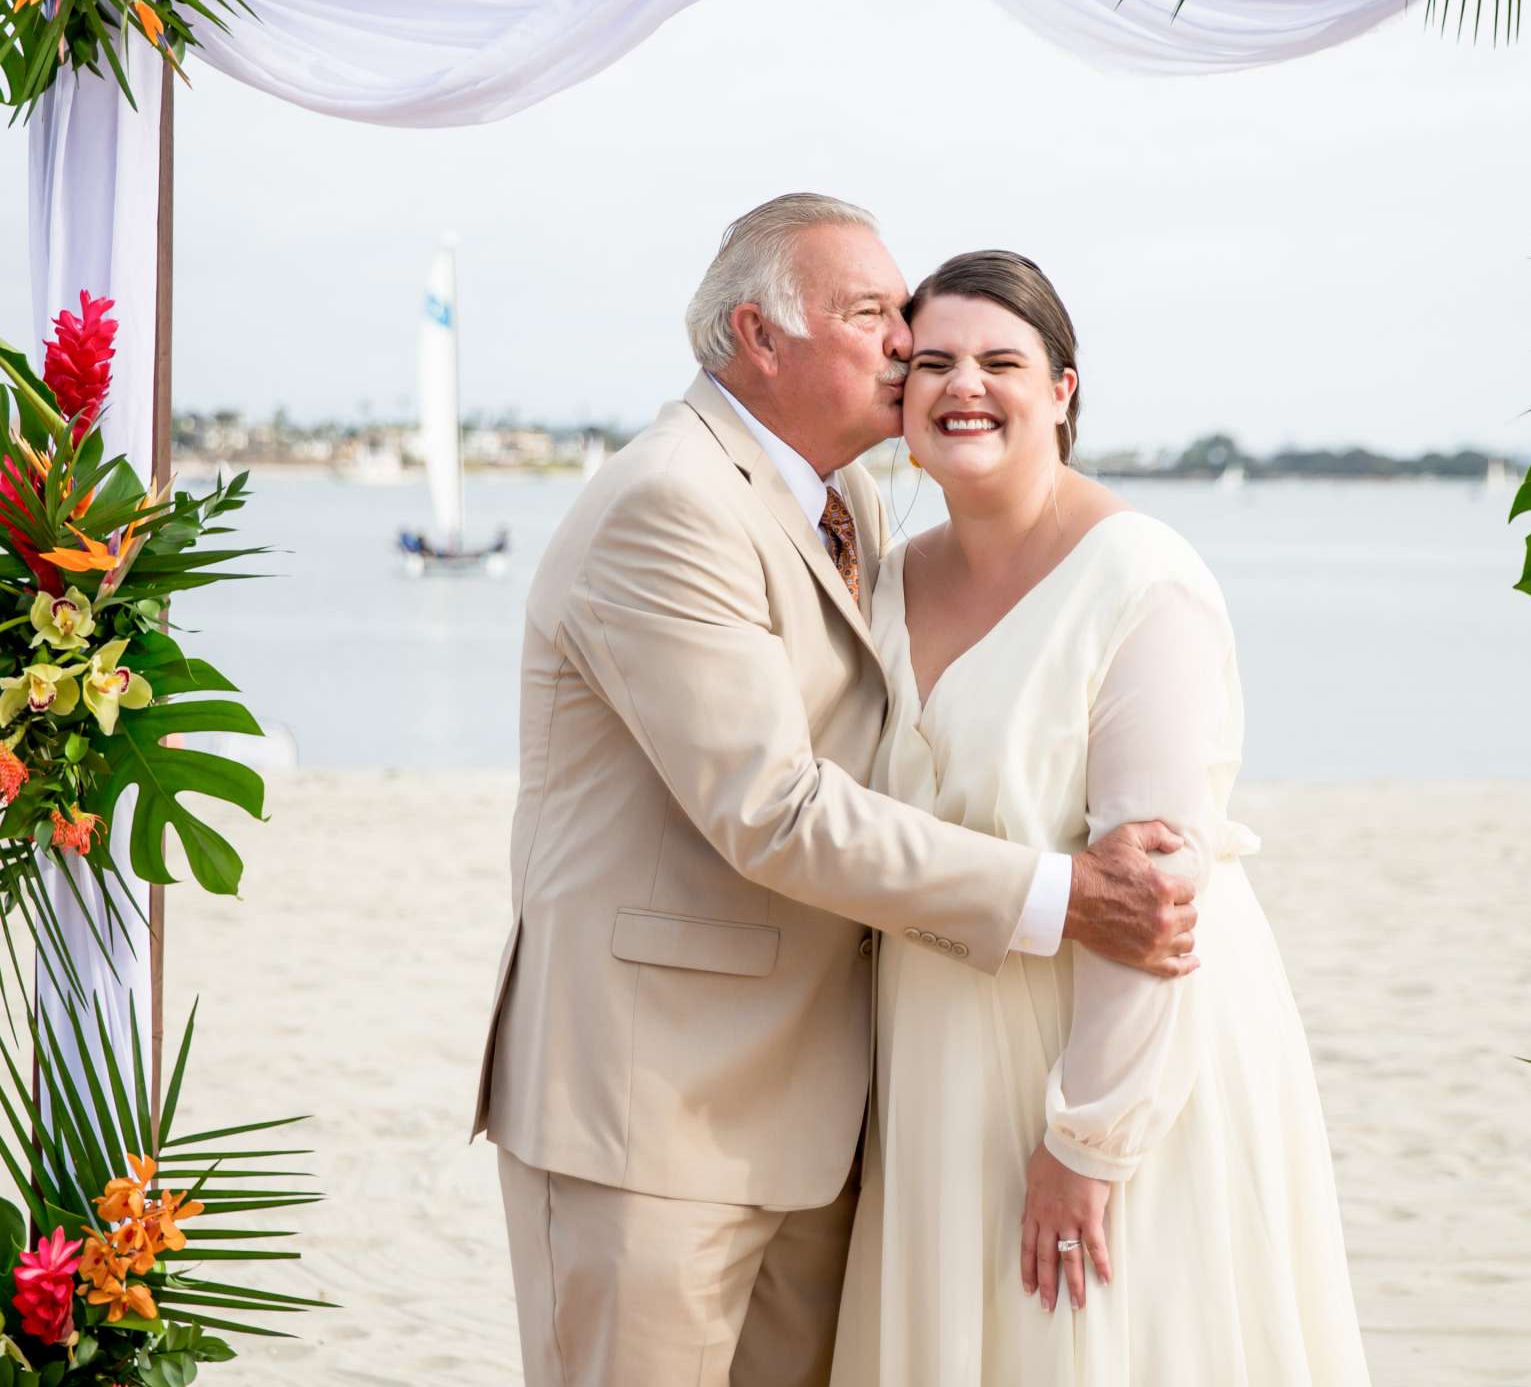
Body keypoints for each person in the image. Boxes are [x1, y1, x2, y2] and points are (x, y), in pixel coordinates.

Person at [471, 195, 1198, 1387]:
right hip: (650, 1113)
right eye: (874, 315)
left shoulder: (849, 500)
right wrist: (1062, 897)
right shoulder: (670, 504)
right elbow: (776, 807)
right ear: (760, 337)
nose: (907, 342)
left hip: (818, 1117)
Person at [831, 251, 1373, 1384]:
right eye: (931, 362)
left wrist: (1086, 1143)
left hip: (1098, 1068)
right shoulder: (885, 575)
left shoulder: (1142, 581)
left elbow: (1157, 899)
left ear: (1065, 389)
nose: (961, 386)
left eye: (999, 361)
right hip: (933, 1059)